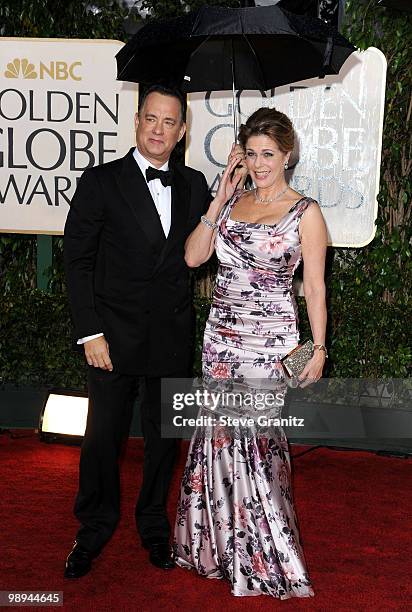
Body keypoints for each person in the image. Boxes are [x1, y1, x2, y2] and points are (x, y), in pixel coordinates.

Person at [173, 107, 327, 598]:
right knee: (217, 441)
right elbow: (194, 257)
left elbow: (316, 290)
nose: (260, 164)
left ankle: (266, 556)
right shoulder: (231, 202)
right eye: (253, 154)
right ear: (240, 155)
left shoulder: (307, 212)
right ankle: (217, 549)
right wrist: (218, 197)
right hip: (221, 338)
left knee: (257, 448)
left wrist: (318, 347)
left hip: (271, 345)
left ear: (288, 155)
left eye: (269, 154)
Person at [63, 84, 210, 578]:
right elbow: (77, 261)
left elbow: (200, 253)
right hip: (112, 336)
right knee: (101, 436)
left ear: (182, 131)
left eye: (170, 122)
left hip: (170, 337)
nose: (158, 130)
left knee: (163, 440)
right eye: (152, 118)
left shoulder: (195, 185)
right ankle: (93, 528)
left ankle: (153, 525)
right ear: (137, 119)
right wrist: (90, 332)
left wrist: (230, 187)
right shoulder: (102, 180)